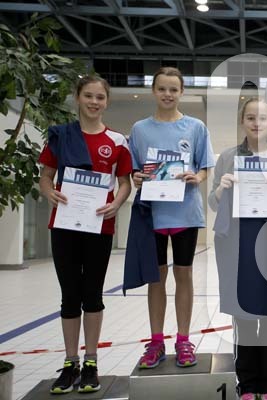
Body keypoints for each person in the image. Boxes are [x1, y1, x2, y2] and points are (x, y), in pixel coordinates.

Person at [39, 75, 132, 394]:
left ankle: (91, 361)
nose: (94, 102)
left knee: (92, 294)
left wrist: (116, 204)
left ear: (107, 101)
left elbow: (124, 182)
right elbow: (46, 176)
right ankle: (70, 363)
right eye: (89, 96)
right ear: (78, 97)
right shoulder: (61, 136)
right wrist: (49, 192)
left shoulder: (117, 141)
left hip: (99, 226)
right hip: (64, 225)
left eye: (100, 97)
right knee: (69, 295)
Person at [128, 67, 215, 369]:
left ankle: (183, 340)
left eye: (173, 89)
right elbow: (134, 169)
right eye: (162, 89)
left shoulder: (195, 127)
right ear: (154, 91)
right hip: (153, 213)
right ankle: (156, 342)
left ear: (181, 92)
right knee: (156, 279)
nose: (168, 94)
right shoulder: (140, 129)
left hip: (184, 213)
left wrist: (197, 177)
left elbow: (205, 166)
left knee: (184, 275)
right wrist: (136, 177)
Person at [209, 97, 267, 400]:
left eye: (263, 118)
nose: (257, 123)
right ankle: (246, 384)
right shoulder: (228, 157)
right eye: (251, 118)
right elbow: (213, 202)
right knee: (242, 315)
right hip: (238, 245)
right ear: (242, 122)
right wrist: (222, 188)